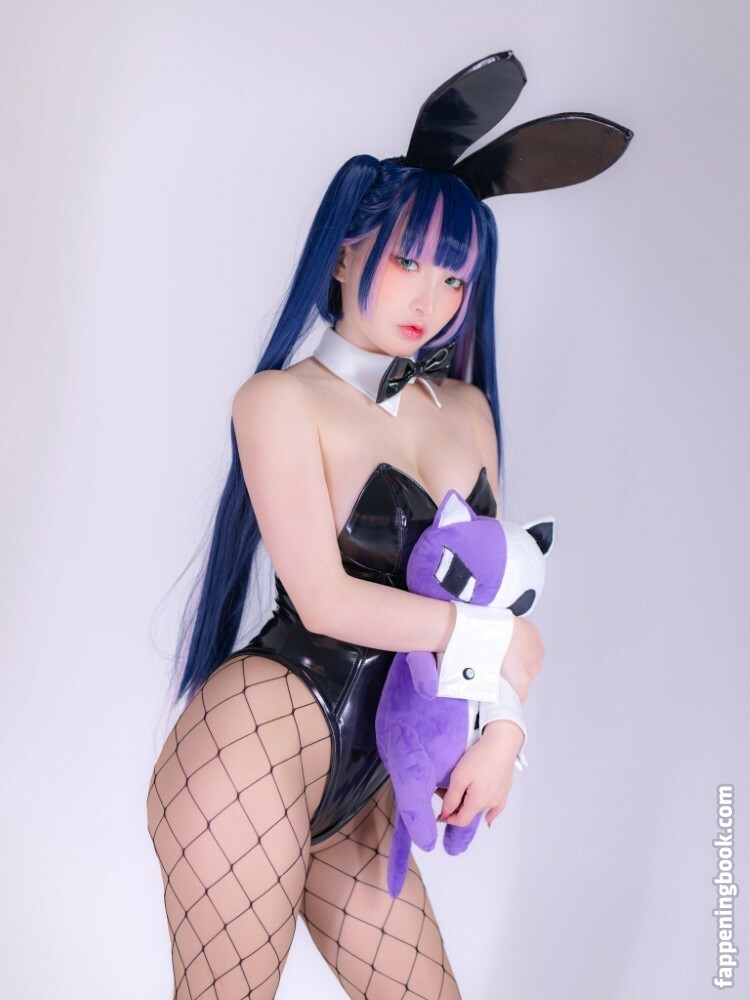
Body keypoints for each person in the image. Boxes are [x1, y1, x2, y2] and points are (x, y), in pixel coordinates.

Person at [146, 52, 632, 1000]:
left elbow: (491, 587)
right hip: (256, 742)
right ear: (343, 253)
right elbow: (326, 599)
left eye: (453, 277)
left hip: (368, 783)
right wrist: (487, 639)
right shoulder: (279, 401)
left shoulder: (469, 411)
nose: (430, 300)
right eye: (407, 261)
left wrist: (505, 732)